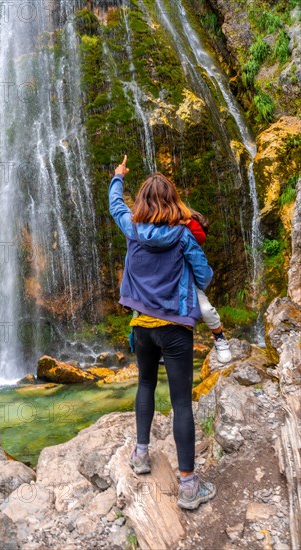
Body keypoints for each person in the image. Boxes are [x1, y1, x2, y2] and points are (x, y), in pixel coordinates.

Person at [109, 156, 216, 510]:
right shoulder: (184, 236)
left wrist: (117, 178)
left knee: (145, 385)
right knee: (181, 401)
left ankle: (140, 455)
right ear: (173, 202)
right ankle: (188, 486)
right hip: (175, 329)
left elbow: (115, 207)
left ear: (139, 203)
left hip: (142, 327)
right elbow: (204, 276)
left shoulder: (131, 227)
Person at [182, 213, 232, 363]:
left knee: (206, 310)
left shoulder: (186, 229)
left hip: (188, 282)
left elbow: (201, 268)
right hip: (165, 279)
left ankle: (219, 337)